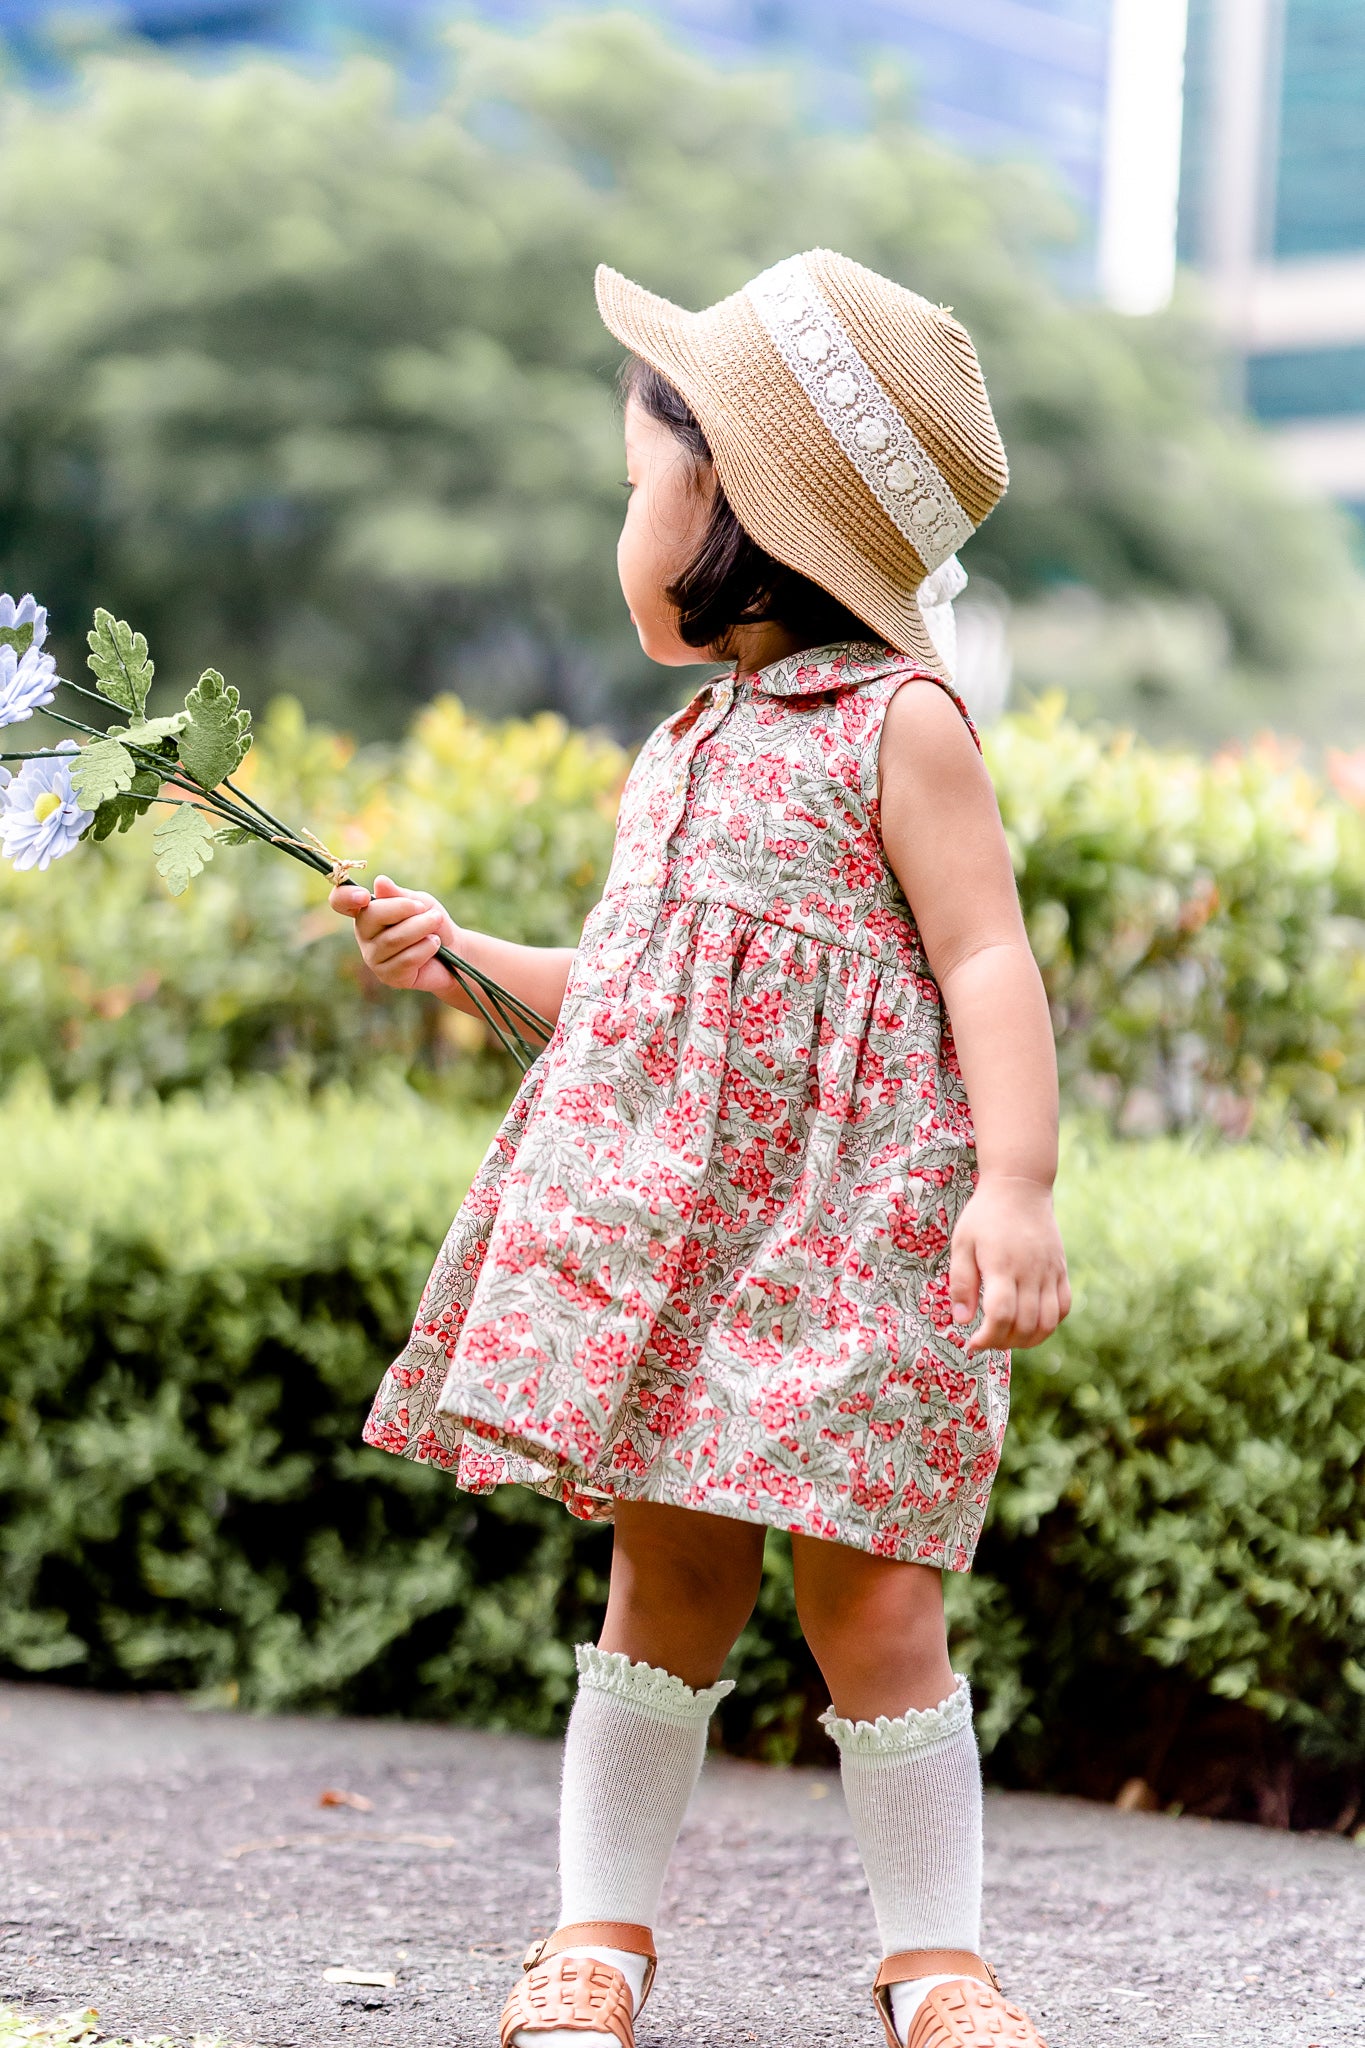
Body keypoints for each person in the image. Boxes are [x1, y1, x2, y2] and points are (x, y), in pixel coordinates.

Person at [331, 249, 1069, 2048]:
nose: (624, 518)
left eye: (634, 482)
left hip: (854, 1236)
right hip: (689, 1242)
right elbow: (647, 985)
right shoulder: (679, 750)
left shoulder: (897, 728)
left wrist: (1015, 1188)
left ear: (729, 506)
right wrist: (467, 955)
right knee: (661, 1578)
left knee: (874, 1598)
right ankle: (599, 1935)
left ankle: (937, 1960)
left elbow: (986, 957)